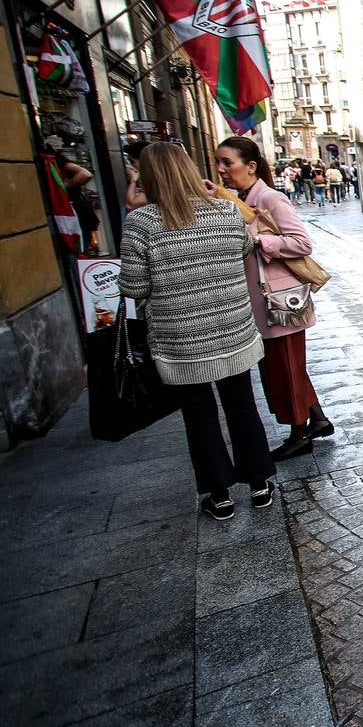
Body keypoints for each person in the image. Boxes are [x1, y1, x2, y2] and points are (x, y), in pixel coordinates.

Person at [117, 142, 276, 520]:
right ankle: (259, 484)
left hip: (180, 340)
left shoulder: (141, 224)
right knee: (242, 406)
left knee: (199, 414)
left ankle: (219, 495)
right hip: (233, 329)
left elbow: (133, 288)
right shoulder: (224, 211)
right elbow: (243, 251)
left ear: (150, 178)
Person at [215, 136, 335, 461]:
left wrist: (260, 240)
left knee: (284, 368)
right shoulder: (239, 199)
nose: (222, 169)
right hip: (263, 300)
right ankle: (318, 418)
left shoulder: (270, 197)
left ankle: (299, 433)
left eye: (228, 162)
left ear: (250, 166)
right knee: (287, 366)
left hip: (281, 302)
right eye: (219, 163)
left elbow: (302, 243)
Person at [123, 139, 151, 212]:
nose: (131, 166)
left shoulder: (155, 179)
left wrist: (133, 180)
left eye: (132, 162)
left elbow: (130, 205)